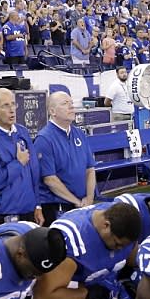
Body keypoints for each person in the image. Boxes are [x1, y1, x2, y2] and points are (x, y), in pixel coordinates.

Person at [0, 88, 44, 230]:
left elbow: (34, 172)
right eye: (6, 105)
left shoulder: (22, 131)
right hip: (0, 214)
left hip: (28, 211)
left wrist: (37, 204)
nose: (12, 110)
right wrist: (18, 163)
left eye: (13, 104)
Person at [34, 92, 96, 226]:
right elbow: (50, 179)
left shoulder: (79, 133)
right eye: (65, 104)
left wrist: (89, 198)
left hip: (82, 204)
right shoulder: (44, 139)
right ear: (52, 111)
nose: (71, 107)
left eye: (72, 103)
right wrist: (76, 202)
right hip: (57, 208)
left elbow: (90, 169)